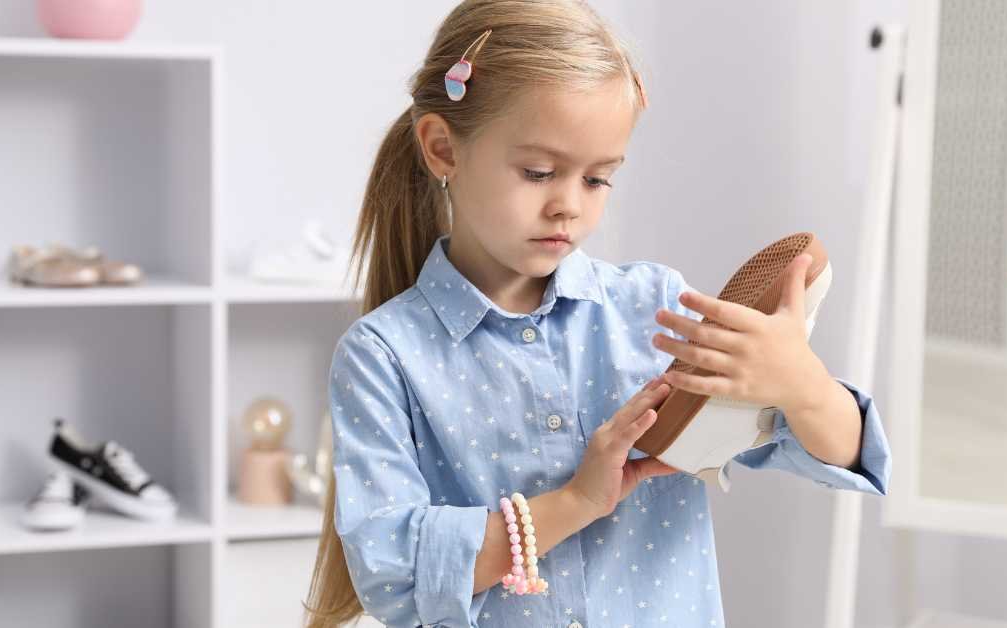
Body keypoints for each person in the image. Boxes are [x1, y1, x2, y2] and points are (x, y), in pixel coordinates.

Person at [302, 1, 891, 626]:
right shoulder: (384, 356)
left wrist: (802, 387)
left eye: (598, 179)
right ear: (443, 148)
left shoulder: (655, 312)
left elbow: (840, 458)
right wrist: (577, 500)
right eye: (538, 172)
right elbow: (395, 571)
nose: (568, 205)